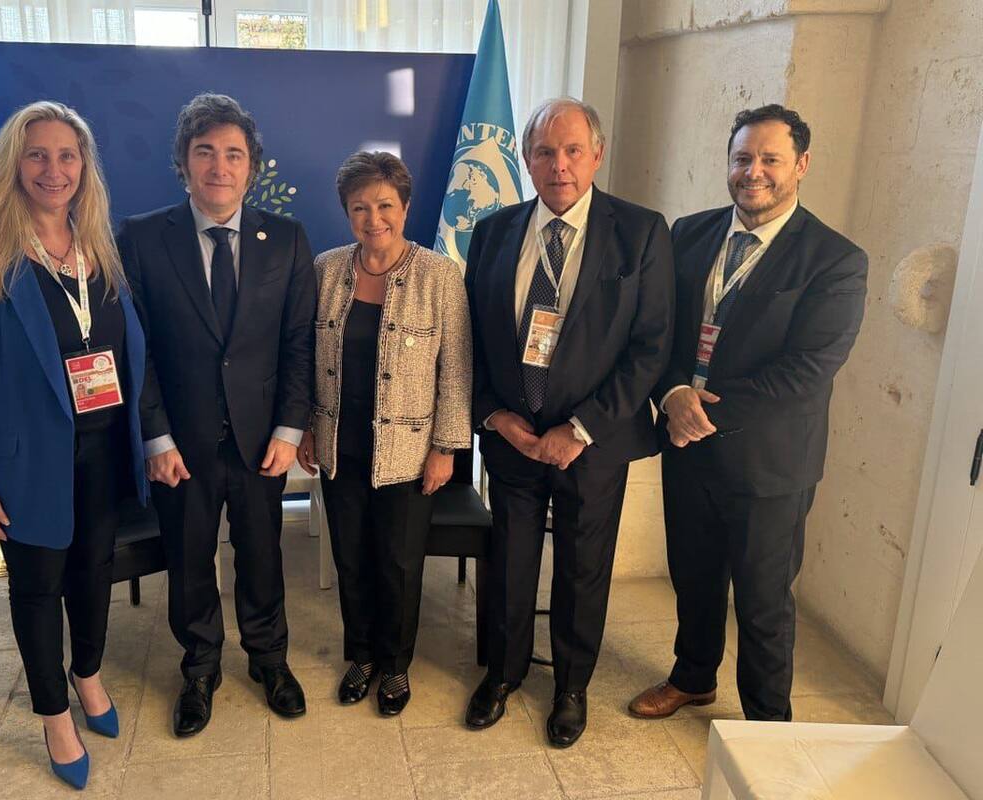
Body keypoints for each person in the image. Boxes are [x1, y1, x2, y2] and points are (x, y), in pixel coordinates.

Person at [627, 105, 868, 723]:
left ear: (801, 165)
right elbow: (659, 329)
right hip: (687, 446)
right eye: (742, 158)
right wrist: (672, 393)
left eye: (769, 159)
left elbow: (809, 367)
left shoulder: (835, 259)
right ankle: (692, 678)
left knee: (763, 601)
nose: (753, 171)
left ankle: (768, 726)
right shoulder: (688, 234)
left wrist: (701, 411)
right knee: (693, 576)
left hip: (769, 462)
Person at [0, 101, 148, 789]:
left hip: (105, 450)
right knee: (37, 588)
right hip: (26, 462)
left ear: (84, 166)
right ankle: (55, 715)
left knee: (93, 571)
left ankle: (87, 674)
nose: (53, 170)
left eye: (66, 155)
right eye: (37, 155)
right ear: (13, 165)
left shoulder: (101, 250)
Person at [463, 98, 674, 748]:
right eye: (545, 152)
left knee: (583, 568)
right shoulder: (493, 232)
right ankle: (503, 673)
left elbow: (651, 348)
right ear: (527, 161)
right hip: (514, 436)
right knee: (510, 561)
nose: (559, 165)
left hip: (593, 443)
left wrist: (579, 429)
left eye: (573, 150)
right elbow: (472, 339)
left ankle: (571, 688)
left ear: (596, 155)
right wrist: (495, 415)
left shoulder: (640, 232)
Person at [116, 93, 315, 736]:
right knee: (189, 558)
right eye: (205, 152)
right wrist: (155, 437)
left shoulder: (285, 239)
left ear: (251, 166)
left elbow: (298, 342)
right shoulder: (142, 238)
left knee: (262, 554)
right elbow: (135, 350)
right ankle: (200, 666)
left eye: (233, 154)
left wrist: (290, 429)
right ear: (184, 162)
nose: (219, 167)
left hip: (262, 441)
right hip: (180, 443)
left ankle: (269, 658)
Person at [296, 152, 471, 715]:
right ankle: (362, 656)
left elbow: (456, 368)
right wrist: (306, 428)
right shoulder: (326, 270)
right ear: (347, 212)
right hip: (339, 445)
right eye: (360, 208)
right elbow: (306, 357)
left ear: (406, 207)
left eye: (385, 206)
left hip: (410, 451)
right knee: (351, 558)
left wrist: (445, 448)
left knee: (398, 563)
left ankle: (395, 665)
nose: (374, 220)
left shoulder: (438, 275)